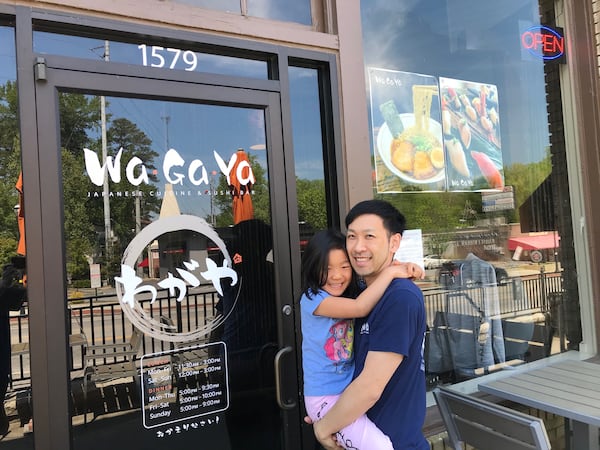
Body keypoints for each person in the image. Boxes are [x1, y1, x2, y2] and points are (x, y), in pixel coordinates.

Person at [311, 200, 429, 450]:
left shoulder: (400, 298)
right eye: (352, 236)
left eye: (369, 236)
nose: (358, 247)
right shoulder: (362, 292)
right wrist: (331, 415)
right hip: (358, 434)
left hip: (395, 443)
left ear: (394, 243)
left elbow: (370, 387)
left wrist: (324, 428)